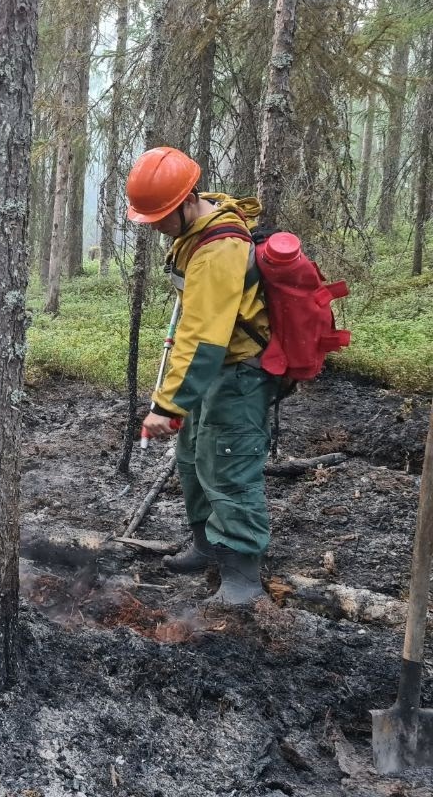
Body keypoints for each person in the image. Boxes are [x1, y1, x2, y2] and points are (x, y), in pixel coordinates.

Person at [127, 146, 277, 608]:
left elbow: (203, 341)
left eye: (161, 216)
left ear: (188, 200)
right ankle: (207, 545)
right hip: (214, 370)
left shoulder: (218, 250)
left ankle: (242, 579)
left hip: (237, 375)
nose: (154, 226)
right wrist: (172, 402)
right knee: (193, 458)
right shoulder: (195, 227)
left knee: (229, 467)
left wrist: (167, 406)